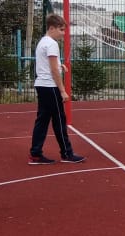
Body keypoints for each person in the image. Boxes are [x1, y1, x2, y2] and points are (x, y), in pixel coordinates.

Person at [29, 13, 85, 165]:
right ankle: (67, 153)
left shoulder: (42, 42)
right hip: (50, 86)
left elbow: (50, 65)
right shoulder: (52, 44)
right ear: (51, 28)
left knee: (42, 121)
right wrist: (62, 90)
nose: (63, 33)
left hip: (42, 85)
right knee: (59, 120)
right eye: (61, 30)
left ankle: (35, 154)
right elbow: (53, 70)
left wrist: (60, 66)